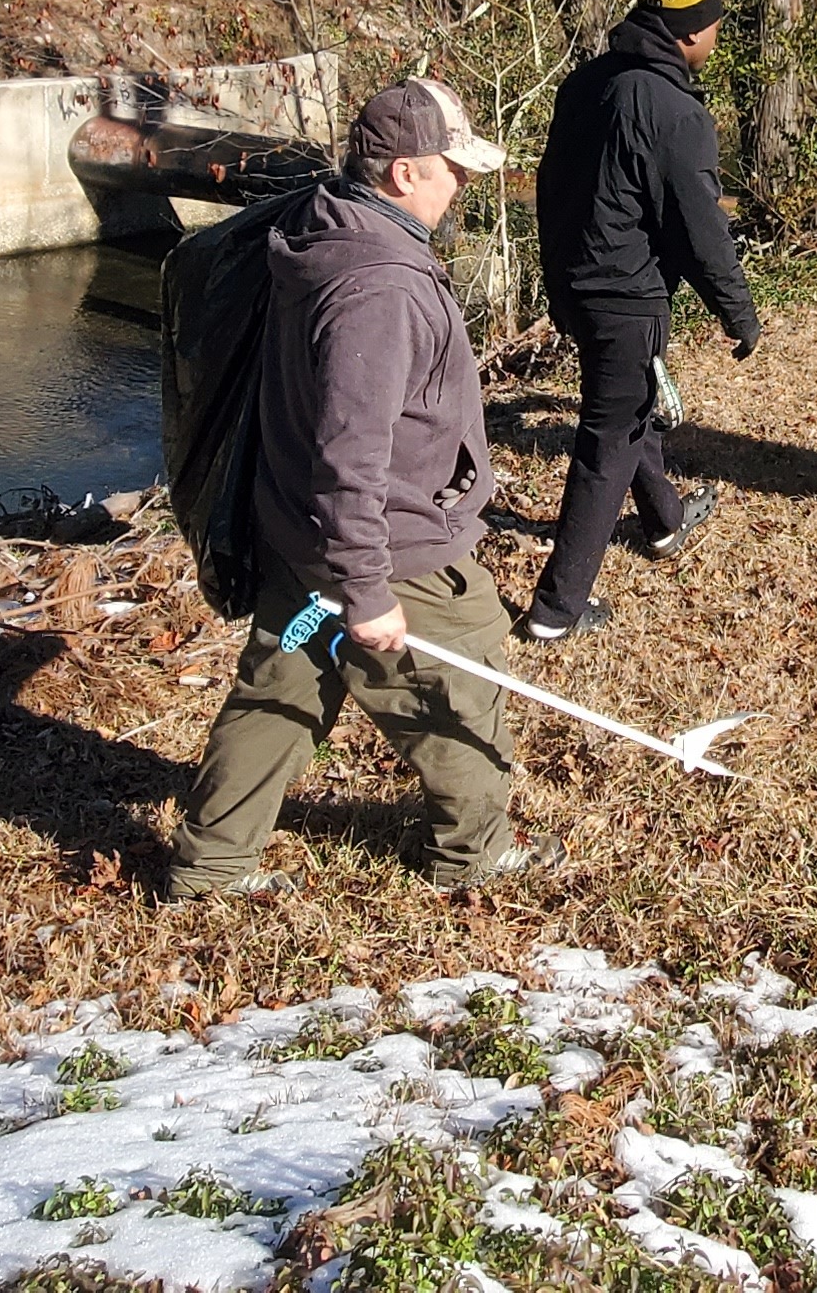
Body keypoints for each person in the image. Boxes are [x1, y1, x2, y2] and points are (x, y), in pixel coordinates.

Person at [166, 78, 556, 901]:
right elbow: (351, 451)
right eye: (453, 168)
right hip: (390, 548)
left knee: (284, 678)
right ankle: (474, 853)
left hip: (302, 541)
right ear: (405, 173)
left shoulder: (322, 224)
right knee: (461, 692)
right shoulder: (379, 290)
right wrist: (368, 589)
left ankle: (211, 863)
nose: (465, 184)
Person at [524, 0, 761, 642]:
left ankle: (663, 520)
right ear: (687, 35)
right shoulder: (676, 113)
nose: (717, 36)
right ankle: (556, 609)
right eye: (713, 26)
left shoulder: (585, 85)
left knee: (629, 411)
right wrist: (738, 313)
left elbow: (550, 189)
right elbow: (700, 229)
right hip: (625, 297)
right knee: (609, 441)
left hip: (577, 284)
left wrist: (557, 283)